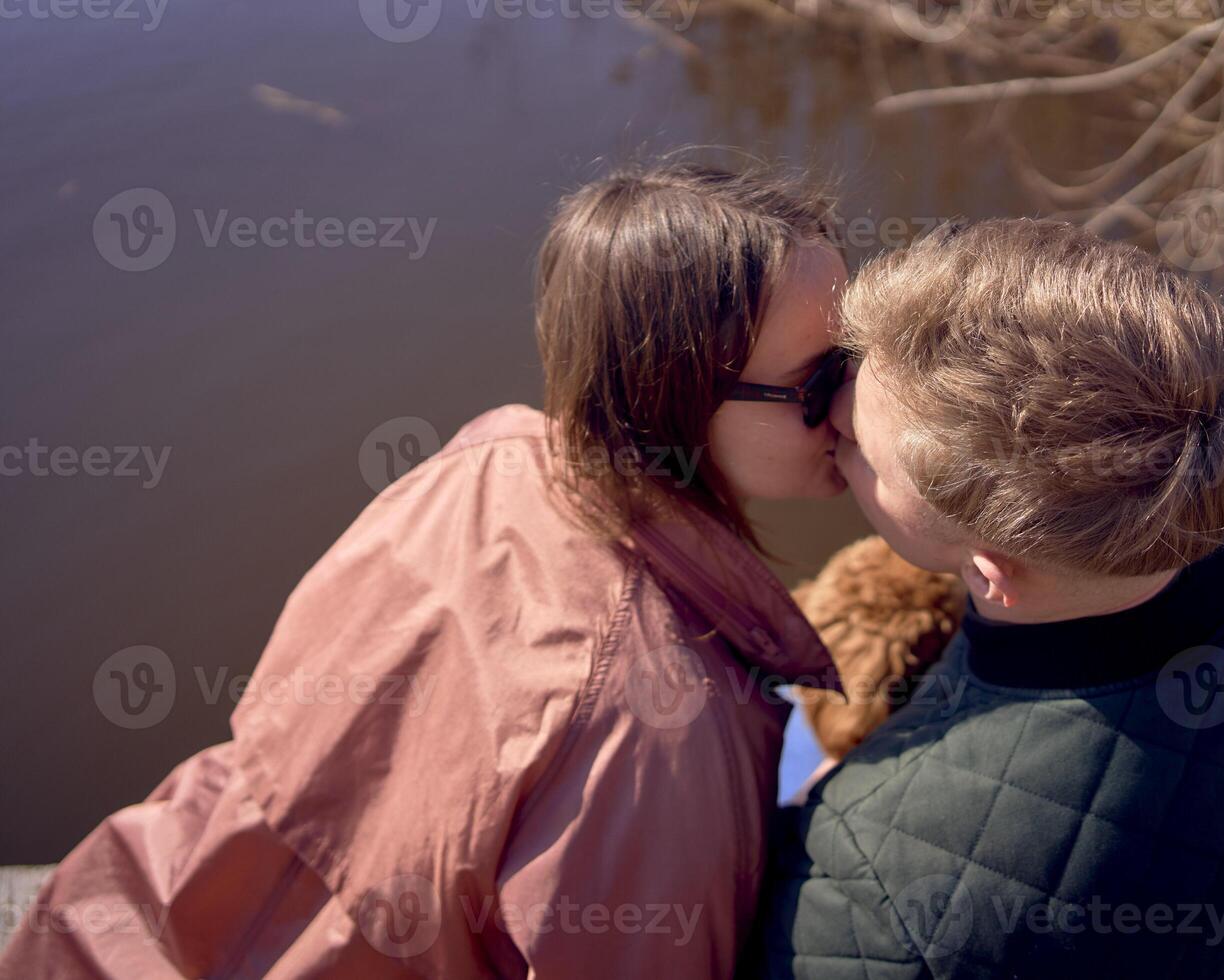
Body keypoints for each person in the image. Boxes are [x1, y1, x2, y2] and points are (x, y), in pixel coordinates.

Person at [0, 159, 854, 977]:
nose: (856, 402)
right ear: (675, 392)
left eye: (858, 355)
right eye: (819, 381)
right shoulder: (659, 725)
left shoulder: (487, 462)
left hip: (118, 919)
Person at [751, 218, 1224, 979]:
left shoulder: (875, 889)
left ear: (992, 571)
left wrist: (840, 803)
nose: (833, 419)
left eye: (860, 447)